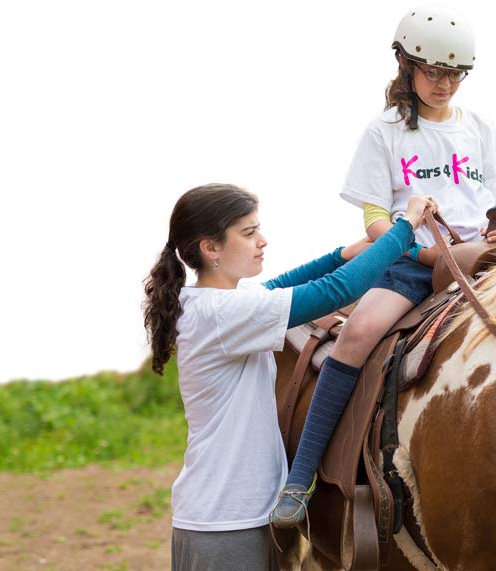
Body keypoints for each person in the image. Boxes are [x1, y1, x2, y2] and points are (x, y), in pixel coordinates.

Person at [270, 5, 496, 527]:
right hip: (410, 262)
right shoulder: (384, 131)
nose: (445, 84)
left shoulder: (482, 129)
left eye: (455, 74)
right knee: (358, 334)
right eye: (434, 72)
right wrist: (417, 252)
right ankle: (301, 476)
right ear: (407, 65)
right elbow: (375, 214)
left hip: (479, 260)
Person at [143, 184, 436, 571]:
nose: (262, 241)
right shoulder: (222, 314)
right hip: (226, 521)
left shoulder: (212, 304)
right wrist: (406, 226)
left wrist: (341, 254)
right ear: (209, 248)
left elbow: (280, 288)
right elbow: (337, 291)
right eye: (248, 234)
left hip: (230, 512)